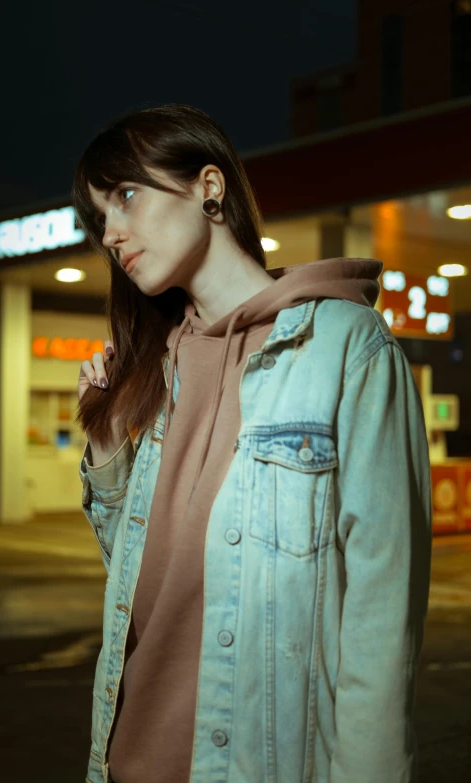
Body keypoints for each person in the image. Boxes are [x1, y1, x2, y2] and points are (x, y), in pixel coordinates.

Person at [73, 103, 432, 783]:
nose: (111, 233)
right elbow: (134, 584)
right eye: (98, 219)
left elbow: (381, 627)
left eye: (124, 195)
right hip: (121, 763)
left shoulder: (345, 349)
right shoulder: (151, 368)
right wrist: (108, 438)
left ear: (210, 186)